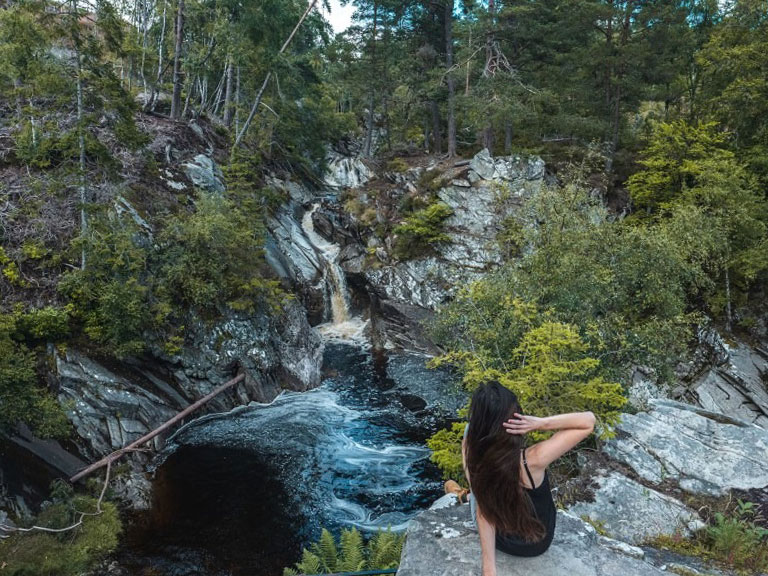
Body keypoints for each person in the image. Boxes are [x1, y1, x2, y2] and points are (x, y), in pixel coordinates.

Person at [461, 380, 595, 576]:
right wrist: (542, 423)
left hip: (501, 540)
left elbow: (484, 510)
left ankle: (464, 495)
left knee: (479, 487)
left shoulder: (471, 451)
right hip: (537, 542)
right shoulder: (533, 459)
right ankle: (465, 495)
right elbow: (588, 421)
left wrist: (489, 569)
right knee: (483, 493)